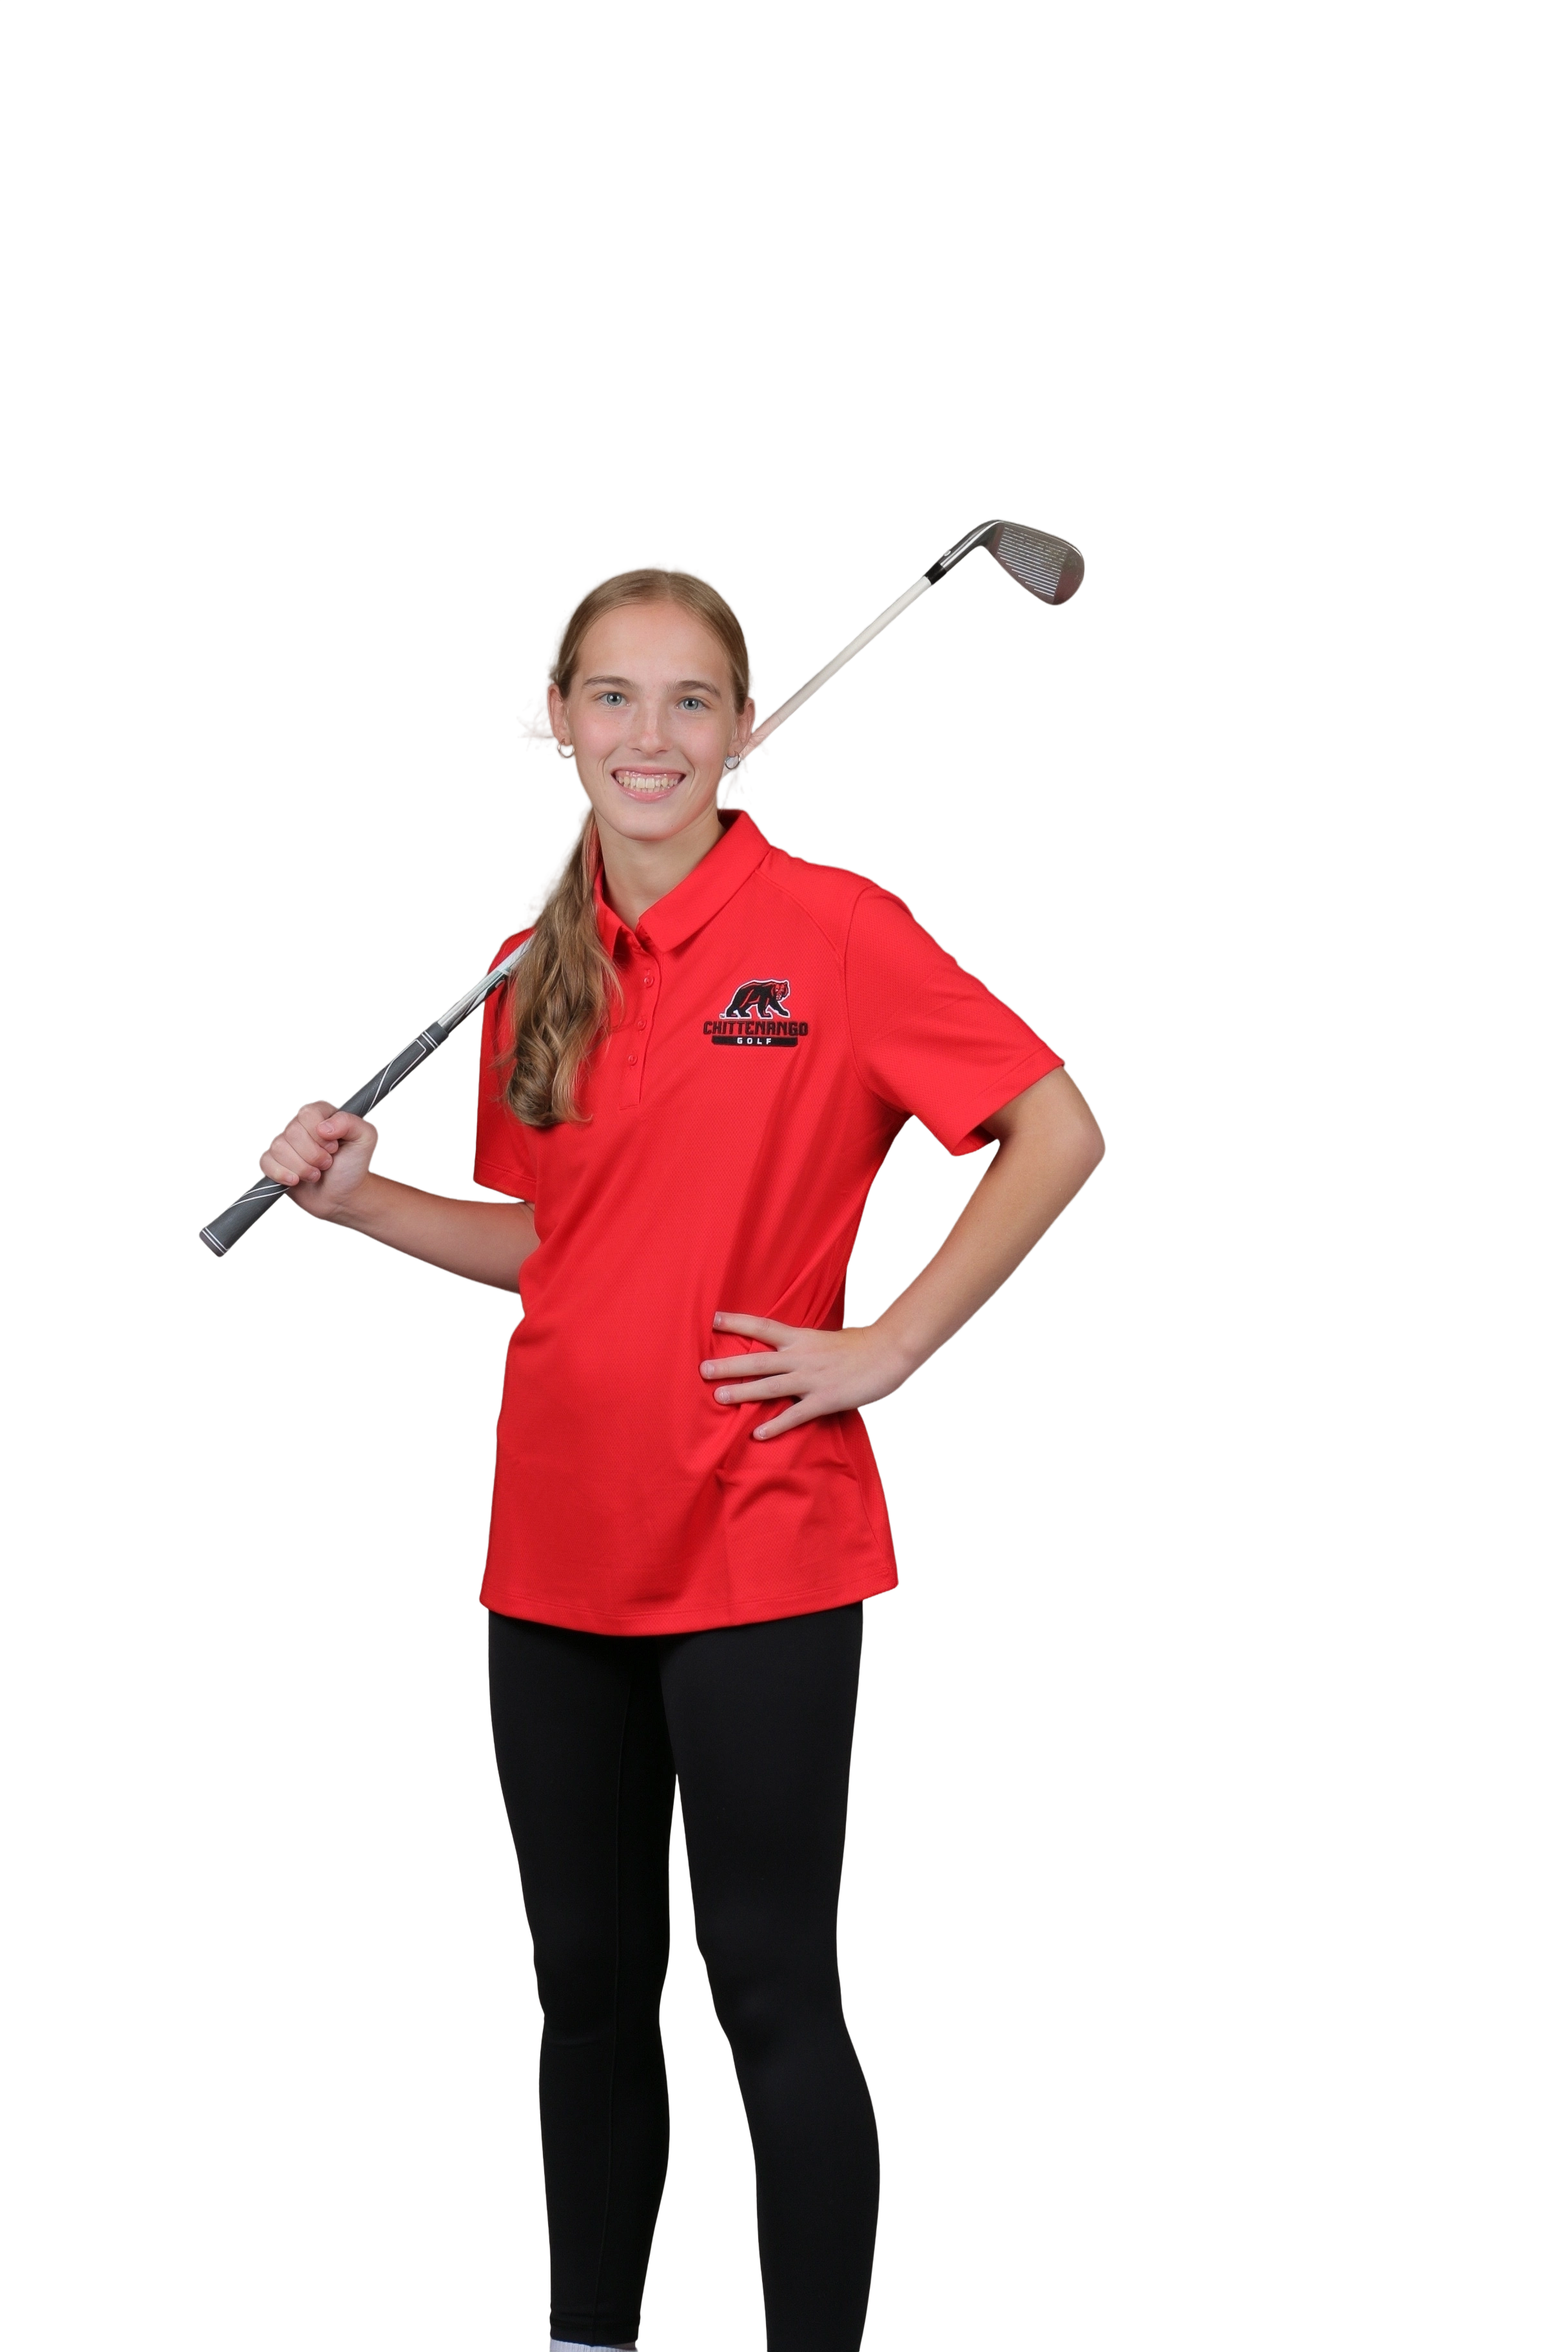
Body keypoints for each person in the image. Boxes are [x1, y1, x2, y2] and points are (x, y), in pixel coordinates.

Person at [257, 558, 1109, 2352]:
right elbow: (553, 1243)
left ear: (744, 733)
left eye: (691, 700)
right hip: (555, 1542)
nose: (651, 736)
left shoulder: (838, 932)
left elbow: (1057, 1128)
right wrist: (361, 1202)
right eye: (614, 697)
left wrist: (893, 1343)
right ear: (550, 723)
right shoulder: (539, 964)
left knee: (776, 1997)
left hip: (757, 1536)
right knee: (584, 1997)